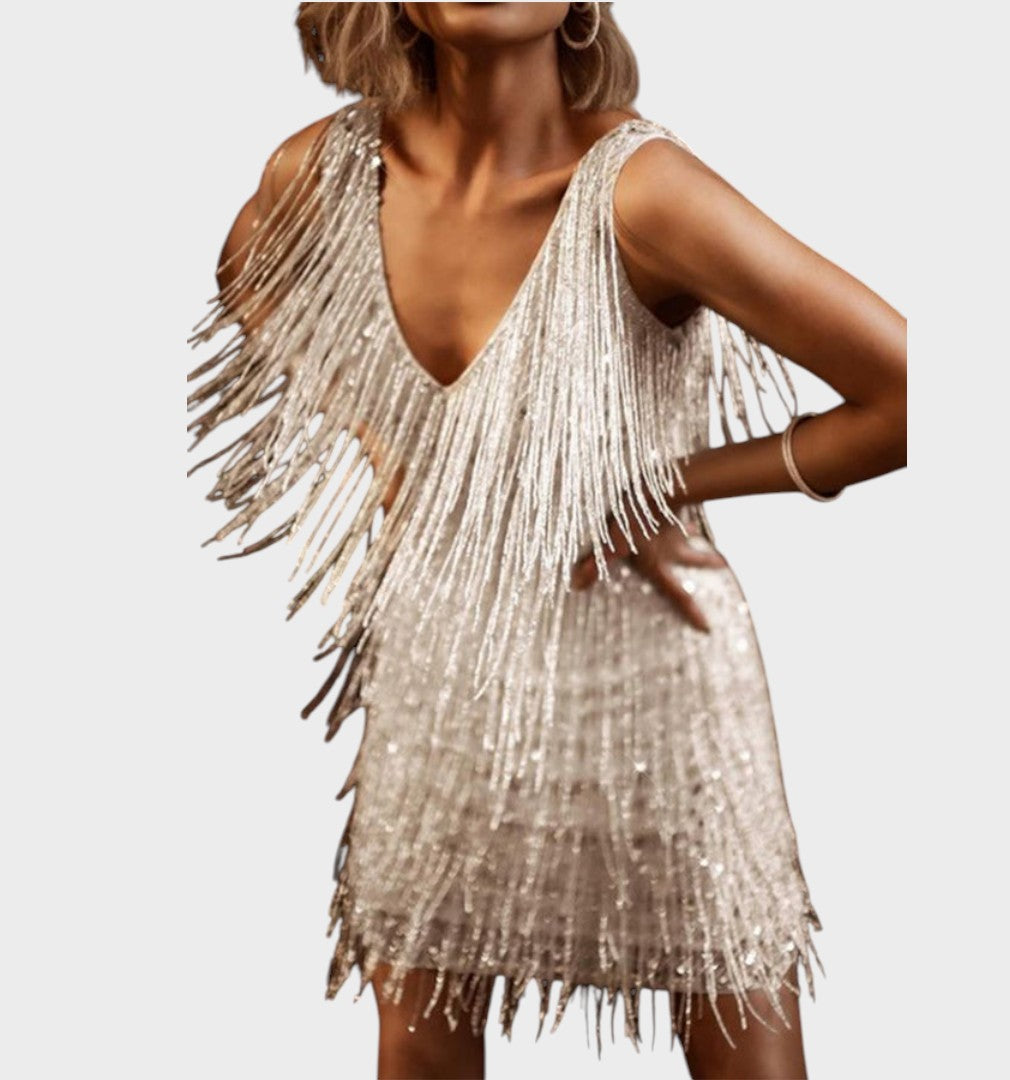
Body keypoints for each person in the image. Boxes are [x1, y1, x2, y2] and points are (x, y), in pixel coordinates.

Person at [186, 4, 906, 1077]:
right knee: (421, 1046)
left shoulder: (644, 191)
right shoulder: (324, 172)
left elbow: (911, 393)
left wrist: (659, 486)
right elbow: (248, 278)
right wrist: (388, 438)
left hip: (657, 684)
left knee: (743, 1046)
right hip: (439, 671)